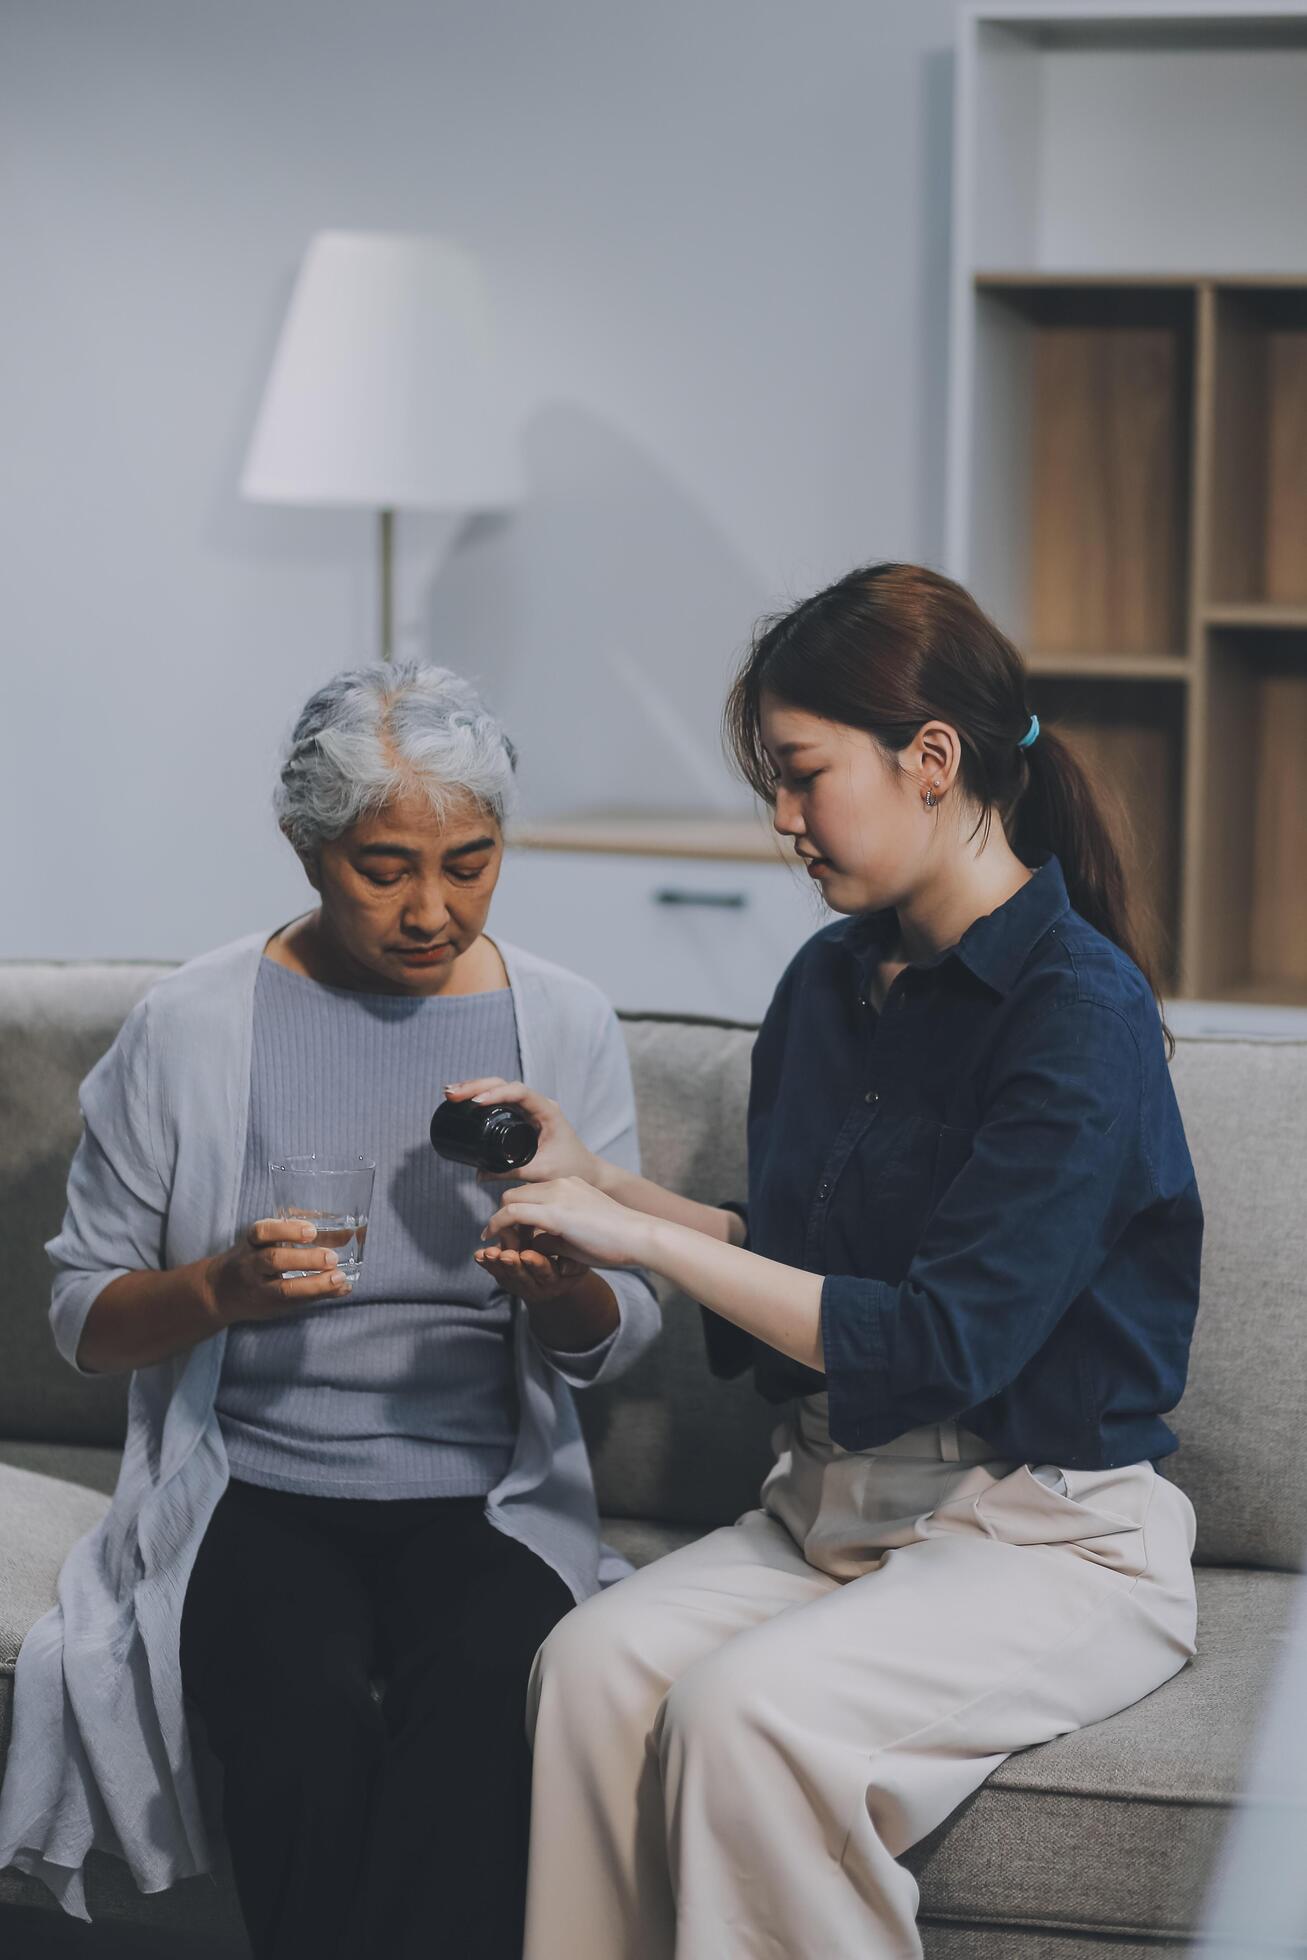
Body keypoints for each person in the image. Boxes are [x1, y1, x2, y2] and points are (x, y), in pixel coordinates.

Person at [454, 563, 1203, 1960]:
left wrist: (635, 1240)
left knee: (747, 1715)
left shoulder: (1076, 1014)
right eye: (773, 784)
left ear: (933, 760)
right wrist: (600, 1184)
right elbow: (800, 1266)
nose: (783, 821)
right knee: (590, 1669)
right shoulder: (828, 984)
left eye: (803, 775)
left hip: (1048, 1541)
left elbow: (936, 1341)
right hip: (839, 1513)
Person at [0, 662, 660, 1960]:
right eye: (383, 868)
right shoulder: (190, 1027)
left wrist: (567, 1286)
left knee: (487, 1697)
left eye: (472, 863)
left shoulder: (563, 1023)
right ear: (306, 848)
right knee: (295, 1710)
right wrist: (216, 1289)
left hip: (483, 1486)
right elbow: (81, 1314)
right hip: (259, 1480)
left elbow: (623, 1331)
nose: (434, 909)